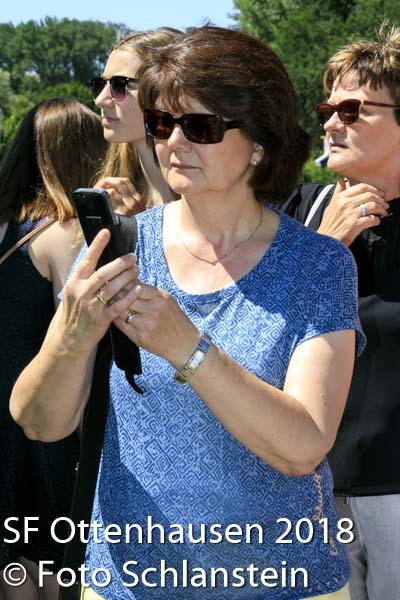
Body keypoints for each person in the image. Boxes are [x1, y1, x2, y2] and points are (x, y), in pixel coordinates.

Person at [11, 26, 365, 600]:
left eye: (200, 126)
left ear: (258, 142)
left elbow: (304, 447)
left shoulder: (317, 265)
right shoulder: (119, 248)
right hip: (131, 582)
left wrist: (188, 349)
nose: (174, 142)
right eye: (160, 123)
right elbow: (39, 423)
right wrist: (73, 335)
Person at [284, 24, 400, 600]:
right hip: (310, 487)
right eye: (328, 108)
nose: (332, 122)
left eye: (353, 110)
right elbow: (265, 329)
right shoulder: (304, 212)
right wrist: (326, 248)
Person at [0, 97, 108, 600]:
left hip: (9, 413)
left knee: (12, 560)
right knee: (49, 563)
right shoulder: (62, 232)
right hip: (45, 424)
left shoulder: (8, 225)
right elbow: (81, 336)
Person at [90, 28, 181, 214]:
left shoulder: (205, 194)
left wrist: (135, 225)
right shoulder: (111, 193)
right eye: (100, 84)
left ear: (162, 90)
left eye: (119, 85)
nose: (100, 100)